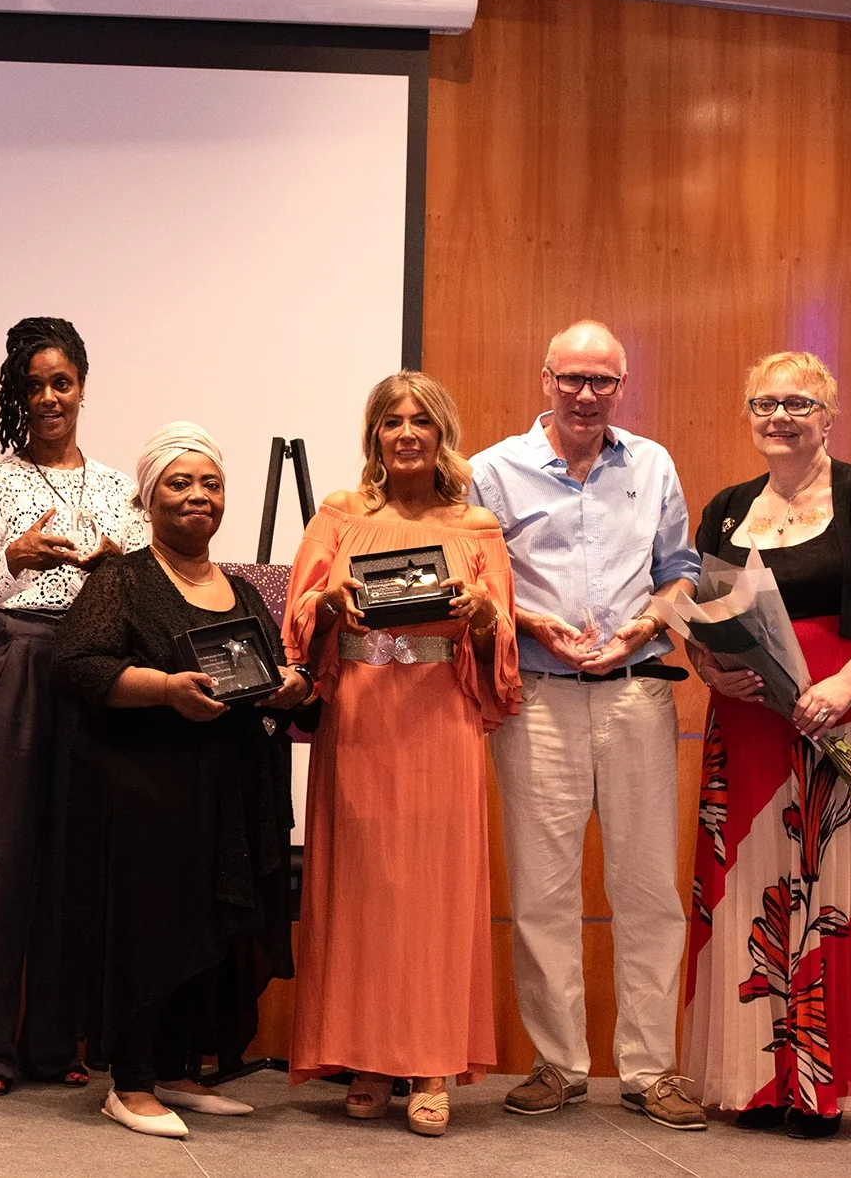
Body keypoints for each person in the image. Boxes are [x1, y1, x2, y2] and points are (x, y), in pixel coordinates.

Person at [682, 351, 851, 1139]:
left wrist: (843, 687)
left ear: (829, 415)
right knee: (753, 895)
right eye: (764, 402)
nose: (779, 416)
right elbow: (703, 615)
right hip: (753, 722)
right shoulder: (728, 507)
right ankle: (759, 1083)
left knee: (840, 898)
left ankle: (825, 1086)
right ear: (748, 415)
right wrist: (710, 672)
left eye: (798, 402)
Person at [468, 321, 707, 1130]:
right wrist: (536, 624)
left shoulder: (652, 464)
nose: (585, 395)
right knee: (542, 890)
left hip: (638, 694)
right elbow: (478, 584)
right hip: (536, 700)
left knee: (647, 889)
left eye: (601, 382)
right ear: (544, 379)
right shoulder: (491, 471)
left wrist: (641, 632)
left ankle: (649, 1071)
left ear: (622, 385)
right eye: (571, 378)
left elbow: (680, 574)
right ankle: (558, 1064)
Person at [53, 422, 306, 1138]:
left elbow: (272, 669)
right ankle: (129, 1084)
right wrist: (164, 689)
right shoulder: (121, 579)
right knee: (153, 933)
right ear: (148, 498)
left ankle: (174, 1071)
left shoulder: (245, 590)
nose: (198, 496)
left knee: (208, 935)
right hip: (146, 794)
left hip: (227, 792)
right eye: (179, 483)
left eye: (211, 484)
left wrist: (289, 687)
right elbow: (76, 669)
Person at [282, 370, 517, 1138]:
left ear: (441, 432)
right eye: (392, 420)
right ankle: (366, 1059)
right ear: (375, 435)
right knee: (362, 887)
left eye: (421, 419)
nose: (407, 432)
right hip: (360, 710)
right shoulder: (342, 514)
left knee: (434, 892)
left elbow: (500, 635)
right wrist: (326, 602)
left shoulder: (476, 524)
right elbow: (298, 613)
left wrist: (483, 614)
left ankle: (430, 1063)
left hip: (439, 715)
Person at [0, 317, 144, 1097]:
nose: (50, 396)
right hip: (6, 661)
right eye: (34, 384)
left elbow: (137, 593)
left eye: (62, 382)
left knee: (71, 866)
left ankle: (53, 1041)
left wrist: (113, 565)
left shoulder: (117, 487)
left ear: (83, 388)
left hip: (89, 671)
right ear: (17, 393)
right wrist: (14, 562)